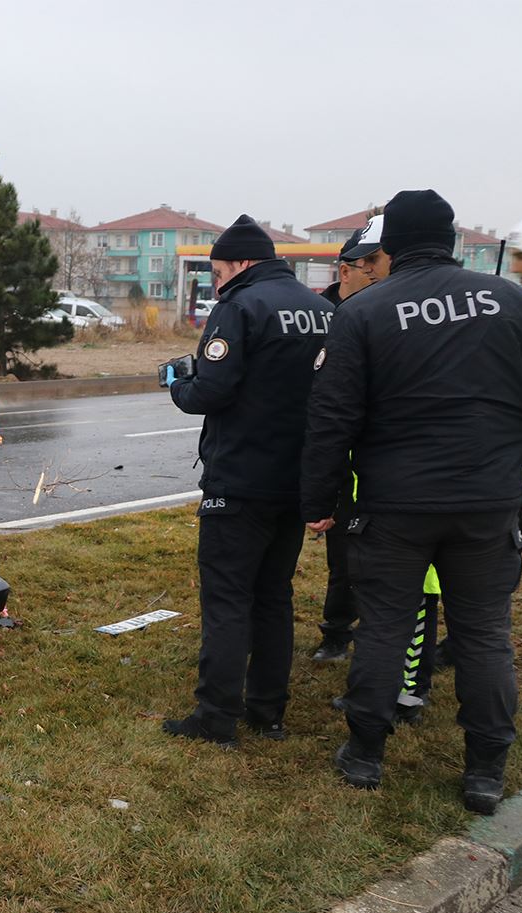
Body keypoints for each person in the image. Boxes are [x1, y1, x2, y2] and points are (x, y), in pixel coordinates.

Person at [301, 189, 522, 814]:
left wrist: (318, 499)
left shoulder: (365, 311)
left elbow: (331, 418)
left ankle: (365, 755)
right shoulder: (511, 301)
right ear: (451, 240)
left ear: (391, 247)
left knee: (384, 626)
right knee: (485, 634)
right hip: (486, 500)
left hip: (395, 503)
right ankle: (485, 770)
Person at [160, 215, 332, 747]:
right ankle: (268, 711)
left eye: (217, 273)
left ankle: (216, 717)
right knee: (274, 596)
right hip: (296, 477)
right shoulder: (322, 310)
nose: (216, 284)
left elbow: (211, 391)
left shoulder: (239, 307)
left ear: (240, 263)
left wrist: (178, 384)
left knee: (228, 598)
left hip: (239, 479)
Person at [312, 220, 385, 661]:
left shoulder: (388, 311)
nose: (376, 275)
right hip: (338, 452)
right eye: (368, 267)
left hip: (381, 454)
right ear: (345, 271)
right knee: (342, 553)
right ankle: (337, 631)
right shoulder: (321, 315)